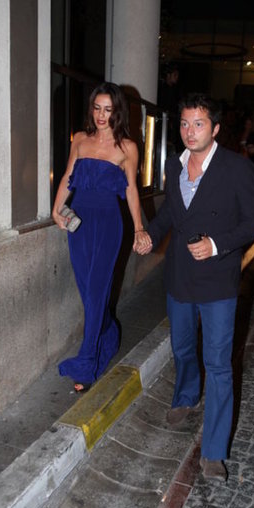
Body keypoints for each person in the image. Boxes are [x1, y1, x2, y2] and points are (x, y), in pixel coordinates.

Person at [135, 94, 254, 481]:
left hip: (217, 281)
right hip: (179, 276)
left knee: (219, 364)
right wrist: (150, 234)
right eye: (184, 123)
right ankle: (186, 396)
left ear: (216, 128)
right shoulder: (174, 167)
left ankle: (214, 451)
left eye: (198, 124)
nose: (190, 131)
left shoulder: (237, 168)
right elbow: (170, 215)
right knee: (181, 348)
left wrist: (216, 244)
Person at [52, 82, 150, 393]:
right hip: (79, 225)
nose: (101, 114)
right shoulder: (80, 140)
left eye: (108, 109)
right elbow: (68, 177)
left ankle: (86, 363)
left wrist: (139, 228)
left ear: (117, 112)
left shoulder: (127, 147)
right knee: (89, 293)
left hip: (109, 225)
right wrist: (56, 208)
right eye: (97, 108)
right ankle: (109, 334)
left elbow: (131, 190)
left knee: (96, 293)